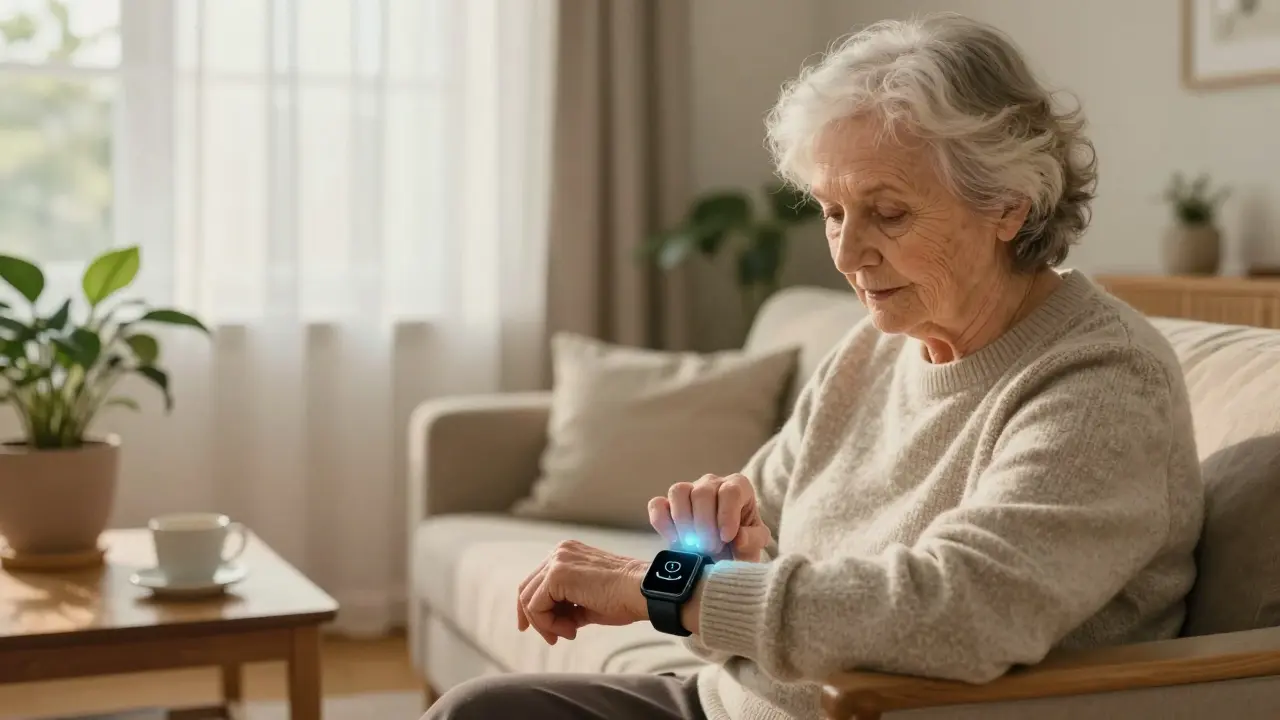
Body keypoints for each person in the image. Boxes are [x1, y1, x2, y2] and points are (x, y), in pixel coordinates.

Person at [423, 12, 1204, 720]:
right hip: (724, 704)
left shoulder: (1102, 382)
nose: (847, 252)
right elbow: (737, 573)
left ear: (1009, 204)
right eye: (833, 210)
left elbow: (958, 612)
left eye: (888, 212)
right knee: (477, 714)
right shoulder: (871, 350)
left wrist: (662, 588)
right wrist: (721, 549)